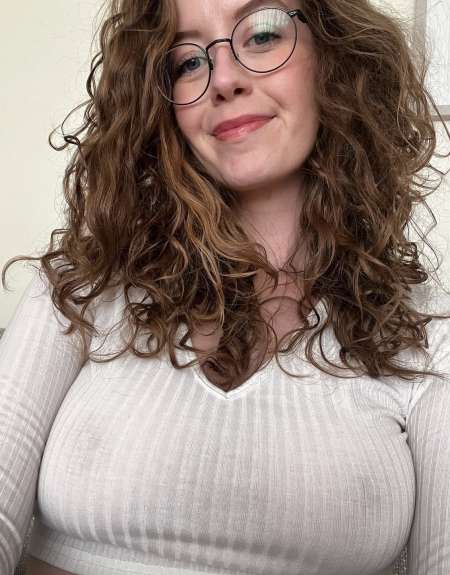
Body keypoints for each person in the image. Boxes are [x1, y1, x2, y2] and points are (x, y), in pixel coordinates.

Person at [1, 0, 450, 573]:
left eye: (262, 34)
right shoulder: (82, 288)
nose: (223, 80)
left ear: (334, 56)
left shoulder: (428, 335)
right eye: (187, 62)